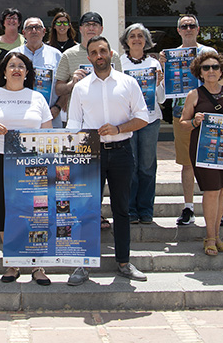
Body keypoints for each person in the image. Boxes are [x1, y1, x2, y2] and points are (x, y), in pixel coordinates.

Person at [66, 36, 149, 285]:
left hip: (122, 151)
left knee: (121, 209)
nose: (99, 55)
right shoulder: (80, 88)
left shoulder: (128, 83)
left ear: (111, 53)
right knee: (87, 210)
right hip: (90, 154)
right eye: (94, 52)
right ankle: (83, 265)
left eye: (103, 50)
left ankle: (123, 261)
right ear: (89, 57)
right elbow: (73, 124)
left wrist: (117, 128)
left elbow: (142, 118)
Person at [0, 52, 53, 286]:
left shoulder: (37, 97)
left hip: (32, 165)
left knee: (35, 214)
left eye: (21, 66)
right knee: (3, 212)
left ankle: (38, 265)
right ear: (4, 71)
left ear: (27, 72)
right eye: (11, 66)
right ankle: (12, 261)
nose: (16, 69)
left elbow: (48, 134)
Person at [54, 11, 121, 228]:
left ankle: (99, 214)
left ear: (101, 29)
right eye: (87, 24)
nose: (91, 27)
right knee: (80, 175)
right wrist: (73, 83)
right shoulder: (69, 55)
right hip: (77, 124)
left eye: (95, 24)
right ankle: (79, 213)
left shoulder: (114, 56)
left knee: (102, 176)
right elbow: (58, 88)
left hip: (107, 126)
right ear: (80, 28)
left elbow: (120, 85)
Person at [179, 51, 223, 256]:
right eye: (206, 67)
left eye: (215, 67)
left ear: (221, 70)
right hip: (204, 152)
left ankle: (217, 236)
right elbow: (183, 123)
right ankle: (209, 237)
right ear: (199, 72)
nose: (211, 71)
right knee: (211, 191)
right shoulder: (194, 95)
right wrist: (194, 122)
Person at [163, 14, 218, 228]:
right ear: (178, 30)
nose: (188, 29)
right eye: (184, 26)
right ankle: (189, 207)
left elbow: (220, 80)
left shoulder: (209, 54)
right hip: (181, 114)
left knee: (210, 163)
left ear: (198, 28)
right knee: (187, 164)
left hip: (207, 114)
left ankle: (215, 209)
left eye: (191, 25)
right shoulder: (171, 56)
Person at [119, 23, 166, 224]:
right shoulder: (119, 63)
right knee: (131, 165)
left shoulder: (154, 64)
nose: (137, 39)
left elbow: (162, 99)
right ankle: (130, 209)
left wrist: (159, 83)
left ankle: (146, 210)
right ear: (126, 41)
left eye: (140, 36)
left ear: (146, 40)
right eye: (132, 36)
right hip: (128, 120)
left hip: (150, 120)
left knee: (147, 166)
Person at [10, 17, 65, 127]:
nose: (34, 31)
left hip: (51, 117)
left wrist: (58, 107)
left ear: (44, 31)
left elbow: (65, 87)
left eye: (37, 28)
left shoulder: (57, 55)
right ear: (24, 33)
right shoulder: (13, 56)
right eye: (30, 28)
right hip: (20, 116)